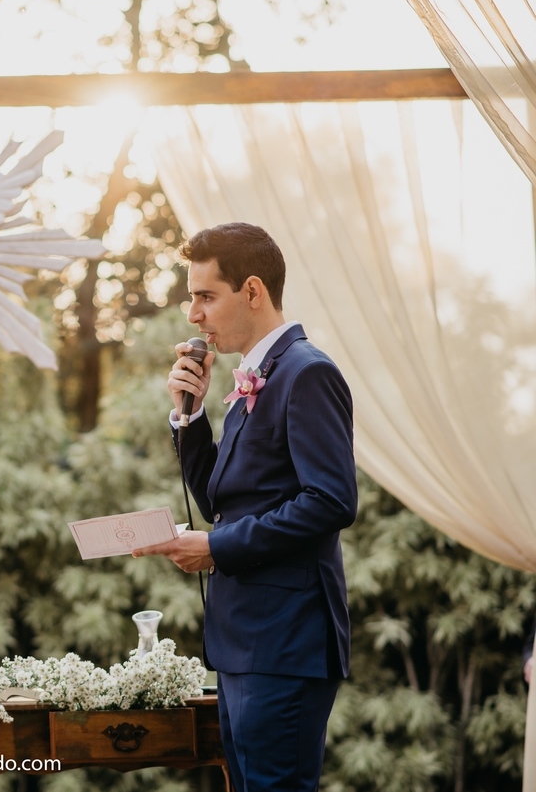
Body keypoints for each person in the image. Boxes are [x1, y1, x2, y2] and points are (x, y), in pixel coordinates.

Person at [132, 223, 357, 791]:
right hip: (243, 644)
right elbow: (218, 500)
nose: (193, 316)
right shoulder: (252, 380)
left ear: (252, 291)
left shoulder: (307, 373)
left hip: (285, 643)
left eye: (205, 296)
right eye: (192, 298)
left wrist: (214, 547)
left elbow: (330, 501)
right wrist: (189, 416)